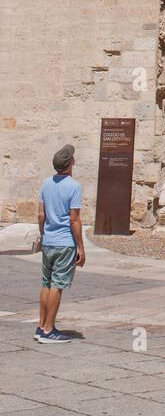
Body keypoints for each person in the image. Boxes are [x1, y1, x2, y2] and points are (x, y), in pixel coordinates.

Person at [35, 144, 84, 344]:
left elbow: (40, 214)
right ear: (70, 163)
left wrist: (43, 234)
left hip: (49, 240)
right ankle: (48, 329)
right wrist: (80, 246)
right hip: (65, 242)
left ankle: (41, 325)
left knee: (46, 283)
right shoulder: (74, 186)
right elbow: (74, 219)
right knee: (57, 285)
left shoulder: (46, 184)